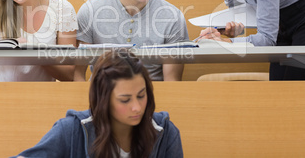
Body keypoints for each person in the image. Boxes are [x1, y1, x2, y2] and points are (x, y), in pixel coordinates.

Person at [12, 49, 183, 158]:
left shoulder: (165, 133)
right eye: (125, 100)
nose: (136, 107)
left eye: (141, 95)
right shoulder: (72, 130)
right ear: (103, 99)